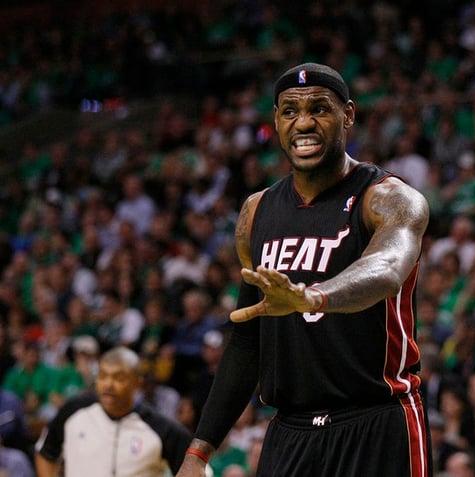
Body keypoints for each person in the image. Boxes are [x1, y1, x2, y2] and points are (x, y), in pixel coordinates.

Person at [176, 62, 431, 477]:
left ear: (347, 115)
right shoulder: (255, 212)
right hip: (289, 431)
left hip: (378, 421)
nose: (304, 123)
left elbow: (386, 270)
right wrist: (198, 451)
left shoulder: (388, 197)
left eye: (319, 108)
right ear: (276, 121)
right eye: (290, 111)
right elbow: (245, 340)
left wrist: (313, 297)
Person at [34, 346, 192, 477]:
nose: (108, 384)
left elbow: (192, 469)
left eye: (119, 378)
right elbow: (46, 454)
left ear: (137, 383)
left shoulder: (161, 428)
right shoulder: (73, 411)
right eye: (103, 376)